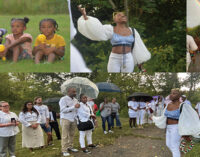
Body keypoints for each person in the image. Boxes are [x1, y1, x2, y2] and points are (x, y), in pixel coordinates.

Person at [77, 6, 151, 72]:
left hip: (128, 59)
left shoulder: (133, 31)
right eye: (119, 15)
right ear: (114, 20)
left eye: (124, 15)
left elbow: (138, 47)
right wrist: (84, 14)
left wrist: (140, 63)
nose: (123, 16)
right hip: (114, 58)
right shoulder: (110, 29)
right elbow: (96, 30)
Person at [152, 89, 200, 157]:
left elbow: (191, 117)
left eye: (174, 93)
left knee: (174, 146)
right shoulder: (168, 104)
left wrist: (186, 132)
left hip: (176, 128)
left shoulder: (182, 105)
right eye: (171, 93)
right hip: (168, 128)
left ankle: (177, 154)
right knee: (168, 144)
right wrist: (155, 119)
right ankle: (178, 154)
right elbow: (164, 116)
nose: (171, 95)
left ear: (179, 96)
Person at [59, 87, 80, 157]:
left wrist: (77, 108)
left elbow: (76, 110)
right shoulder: (63, 99)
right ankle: (64, 150)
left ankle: (70, 146)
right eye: (73, 92)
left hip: (73, 118)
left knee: (72, 134)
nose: (75, 93)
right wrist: (74, 106)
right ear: (68, 92)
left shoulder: (76, 100)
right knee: (65, 135)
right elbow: (63, 110)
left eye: (75, 92)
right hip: (66, 118)